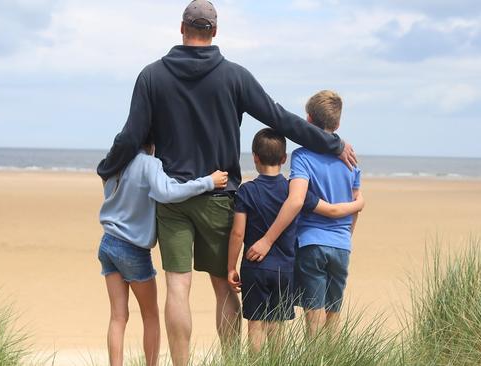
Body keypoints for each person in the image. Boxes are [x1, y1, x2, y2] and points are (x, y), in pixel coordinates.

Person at [96, 1, 357, 364]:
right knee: (223, 286)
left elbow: (131, 136)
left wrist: (108, 167)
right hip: (220, 196)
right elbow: (280, 119)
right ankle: (233, 361)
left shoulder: (152, 76)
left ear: (181, 28)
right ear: (215, 32)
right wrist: (333, 142)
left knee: (177, 286)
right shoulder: (234, 76)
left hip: (173, 200)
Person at [227, 128, 364, 353]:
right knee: (277, 324)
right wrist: (358, 204)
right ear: (283, 159)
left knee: (256, 323)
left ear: (255, 157)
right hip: (285, 268)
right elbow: (328, 209)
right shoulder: (293, 192)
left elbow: (238, 233)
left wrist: (231, 266)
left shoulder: (246, 191)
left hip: (254, 266)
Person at [97, 133, 228, 366]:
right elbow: (167, 192)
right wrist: (208, 182)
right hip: (132, 249)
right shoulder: (149, 164)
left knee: (118, 316)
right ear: (153, 143)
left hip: (108, 243)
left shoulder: (115, 164)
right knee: (150, 315)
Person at [246, 91, 361, 336]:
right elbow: (355, 205)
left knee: (314, 313)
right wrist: (346, 237)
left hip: (311, 243)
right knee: (334, 312)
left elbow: (296, 200)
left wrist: (267, 240)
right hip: (342, 244)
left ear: (307, 121)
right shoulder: (351, 160)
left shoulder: (302, 156)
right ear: (338, 124)